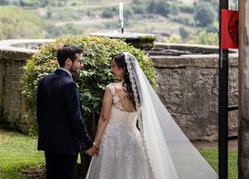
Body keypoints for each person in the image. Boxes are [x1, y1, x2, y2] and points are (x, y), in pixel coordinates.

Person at [85, 52, 218, 179]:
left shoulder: (111, 89)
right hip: (133, 138)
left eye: (113, 66)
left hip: (112, 139)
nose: (111, 69)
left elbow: (104, 117)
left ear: (123, 69)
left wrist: (96, 142)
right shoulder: (139, 92)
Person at [37, 45, 98, 179]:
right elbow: (76, 118)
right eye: (79, 61)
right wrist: (88, 144)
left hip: (48, 142)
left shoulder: (44, 81)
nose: (80, 65)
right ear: (68, 62)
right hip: (66, 145)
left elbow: (40, 114)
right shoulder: (69, 84)